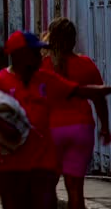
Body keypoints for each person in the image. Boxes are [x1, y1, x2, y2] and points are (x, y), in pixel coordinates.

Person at [0, 30, 111, 209]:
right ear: (20, 55)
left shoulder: (45, 78)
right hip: (10, 166)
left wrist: (104, 90)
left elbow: (79, 91)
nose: (39, 56)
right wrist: (1, 126)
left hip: (43, 165)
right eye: (34, 52)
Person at [44, 18, 111, 209]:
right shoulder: (86, 64)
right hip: (81, 129)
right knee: (75, 189)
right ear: (73, 40)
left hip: (52, 131)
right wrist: (105, 127)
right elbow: (99, 98)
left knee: (48, 186)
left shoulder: (44, 67)